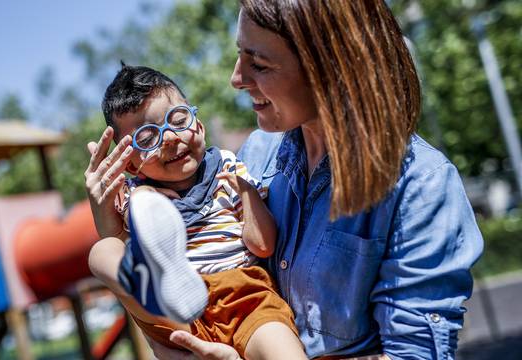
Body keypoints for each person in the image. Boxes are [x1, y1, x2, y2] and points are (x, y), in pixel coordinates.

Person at [87, 0, 483, 358]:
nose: (236, 78)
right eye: (239, 55)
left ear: (329, 67)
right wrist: (109, 218)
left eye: (259, 63)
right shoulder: (258, 154)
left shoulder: (421, 185)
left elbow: (415, 355)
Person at [85, 64, 307, 359]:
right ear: (130, 163)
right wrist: (137, 199)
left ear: (198, 124)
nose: (169, 138)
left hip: (243, 298)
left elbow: (263, 245)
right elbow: (118, 239)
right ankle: (155, 288)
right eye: (147, 138)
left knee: (282, 350)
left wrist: (246, 192)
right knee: (102, 250)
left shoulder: (227, 169)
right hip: (175, 314)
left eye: (178, 120)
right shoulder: (134, 196)